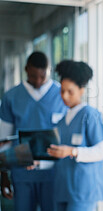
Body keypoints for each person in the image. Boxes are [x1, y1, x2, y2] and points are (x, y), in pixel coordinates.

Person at [0, 52, 68, 211]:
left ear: (49, 71)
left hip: (53, 175)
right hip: (22, 174)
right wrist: (3, 175)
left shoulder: (62, 95)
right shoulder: (11, 97)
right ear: (26, 69)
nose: (38, 81)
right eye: (32, 76)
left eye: (42, 77)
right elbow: (3, 140)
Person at [47, 60, 103, 211]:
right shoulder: (61, 121)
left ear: (81, 90)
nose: (65, 96)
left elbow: (101, 152)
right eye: (62, 91)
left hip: (83, 191)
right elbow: (57, 155)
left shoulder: (90, 115)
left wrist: (72, 151)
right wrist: (38, 163)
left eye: (70, 91)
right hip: (63, 188)